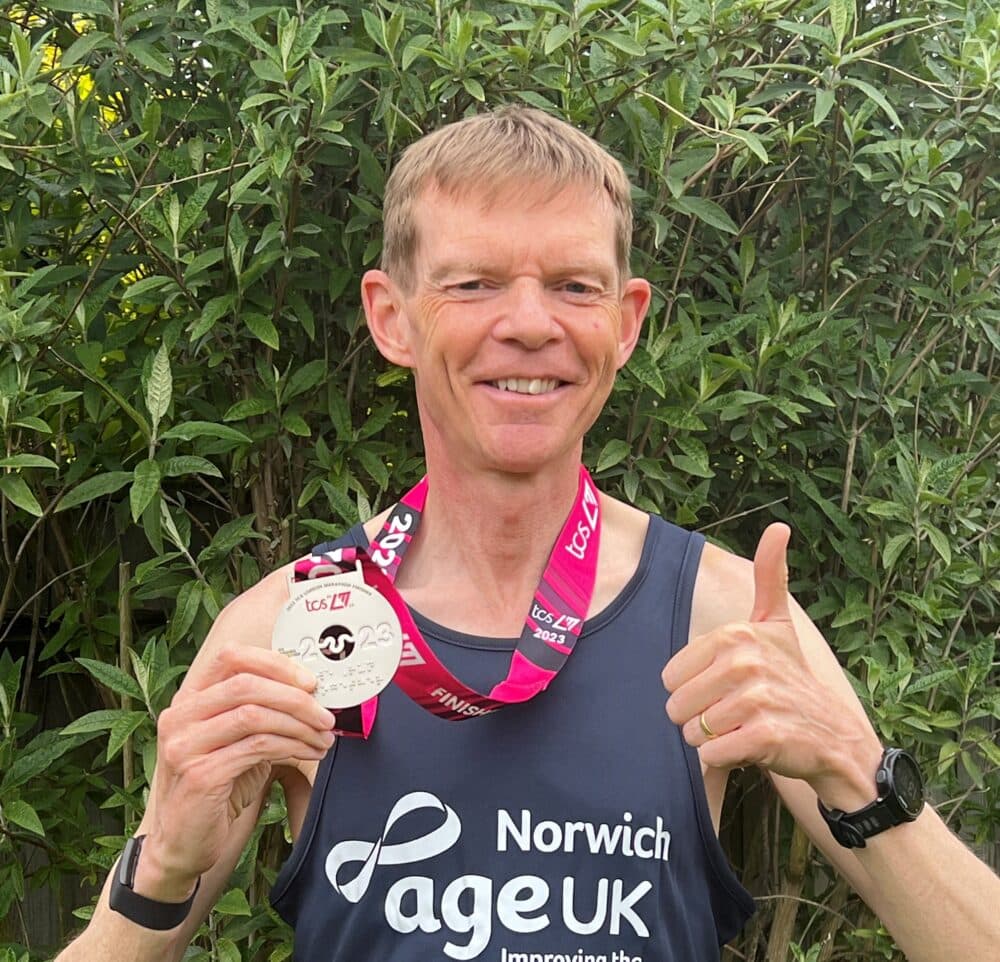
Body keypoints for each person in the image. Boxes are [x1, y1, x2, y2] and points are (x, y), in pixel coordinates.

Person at [56, 107, 999, 962]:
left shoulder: (723, 615)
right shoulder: (290, 634)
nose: (529, 324)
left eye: (574, 286)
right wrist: (162, 874)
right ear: (392, 317)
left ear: (625, 324)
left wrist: (853, 766)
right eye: (472, 283)